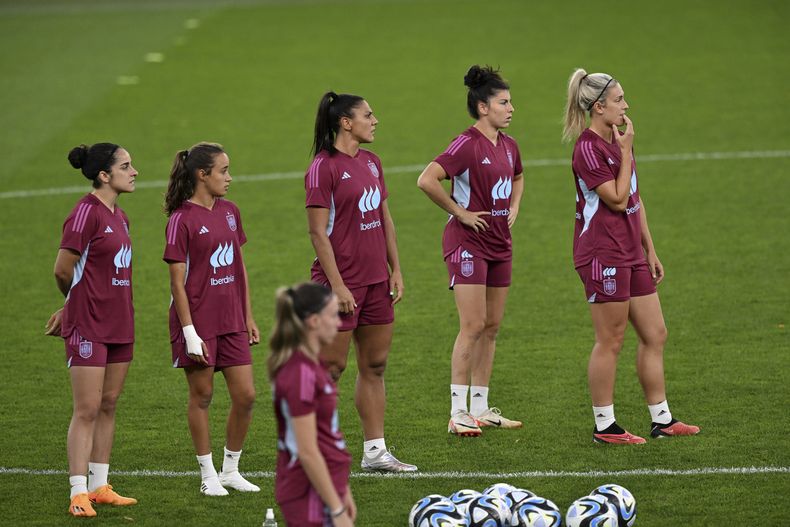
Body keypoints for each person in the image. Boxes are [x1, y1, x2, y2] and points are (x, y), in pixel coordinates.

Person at [562, 68, 700, 444]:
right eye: (620, 99)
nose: (626, 105)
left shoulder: (620, 141)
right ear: (599, 106)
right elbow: (617, 198)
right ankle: (605, 425)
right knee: (612, 339)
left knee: (655, 333)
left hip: (630, 250)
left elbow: (635, 200)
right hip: (601, 253)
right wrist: (624, 152)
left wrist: (649, 249)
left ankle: (662, 419)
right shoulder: (588, 148)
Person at [305, 91, 416, 472]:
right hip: (339, 284)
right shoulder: (323, 167)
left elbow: (385, 218)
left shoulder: (372, 162)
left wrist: (395, 268)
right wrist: (337, 286)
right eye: (368, 115)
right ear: (346, 123)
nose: (375, 120)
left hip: (375, 282)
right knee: (331, 367)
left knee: (376, 365)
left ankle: (375, 452)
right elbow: (318, 233)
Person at [417, 65, 525, 437]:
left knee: (492, 327)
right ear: (483, 108)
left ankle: (480, 408)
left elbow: (518, 176)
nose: (511, 108)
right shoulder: (466, 144)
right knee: (473, 325)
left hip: (499, 243)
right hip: (467, 244)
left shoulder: (509, 146)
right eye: (503, 102)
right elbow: (426, 180)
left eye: (510, 102)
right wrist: (460, 213)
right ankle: (457, 412)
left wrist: (514, 207)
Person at [45, 143, 139, 517]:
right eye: (126, 166)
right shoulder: (85, 214)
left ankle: (100, 485)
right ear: (104, 174)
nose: (134, 171)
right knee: (86, 408)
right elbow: (62, 269)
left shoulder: (120, 216)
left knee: (109, 403)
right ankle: (78, 492)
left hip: (120, 321)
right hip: (89, 324)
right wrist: (74, 305)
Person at [163, 142, 261, 494]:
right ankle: (208, 477)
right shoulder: (181, 220)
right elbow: (177, 282)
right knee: (202, 396)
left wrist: (248, 315)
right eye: (223, 171)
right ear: (202, 175)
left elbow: (239, 267)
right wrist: (189, 332)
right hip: (198, 322)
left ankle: (231, 470)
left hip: (232, 319)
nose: (229, 178)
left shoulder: (231, 211)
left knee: (246, 395)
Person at [269, 282, 356, 527]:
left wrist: (343, 489)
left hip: (326, 486)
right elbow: (307, 450)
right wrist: (337, 510)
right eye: (333, 316)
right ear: (314, 322)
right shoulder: (301, 376)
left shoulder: (313, 364)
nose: (339, 323)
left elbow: (327, 433)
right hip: (308, 492)